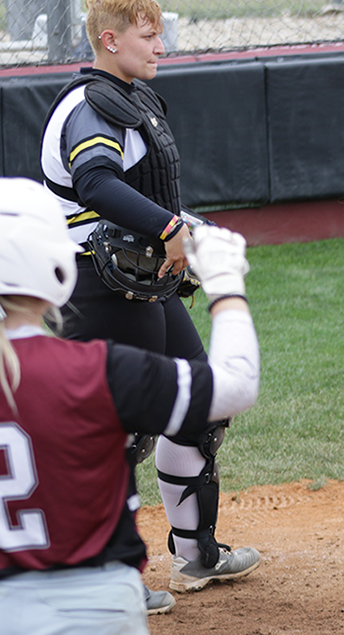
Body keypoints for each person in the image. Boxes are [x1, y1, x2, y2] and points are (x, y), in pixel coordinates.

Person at [39, 0, 260, 613]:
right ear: (109, 40)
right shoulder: (89, 106)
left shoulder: (132, 98)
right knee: (114, 433)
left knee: (199, 407)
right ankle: (107, 574)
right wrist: (171, 231)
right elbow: (98, 185)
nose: (160, 45)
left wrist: (184, 227)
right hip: (94, 286)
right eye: (148, 34)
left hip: (140, 284)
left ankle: (196, 552)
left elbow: (141, 193)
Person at [0, 177, 259, 634]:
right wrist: (226, 285)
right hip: (94, 607)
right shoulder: (96, 369)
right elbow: (234, 387)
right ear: (54, 261)